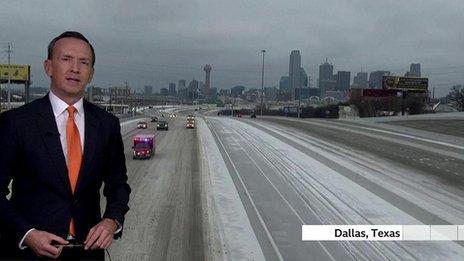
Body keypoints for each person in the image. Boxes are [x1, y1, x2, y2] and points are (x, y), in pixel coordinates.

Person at [0, 31, 131, 260]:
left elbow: (118, 186)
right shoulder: (17, 122)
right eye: (66, 59)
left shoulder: (107, 125)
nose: (75, 68)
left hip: (87, 253)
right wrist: (27, 234)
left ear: (91, 74)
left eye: (84, 62)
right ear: (48, 67)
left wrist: (112, 220)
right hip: (29, 253)